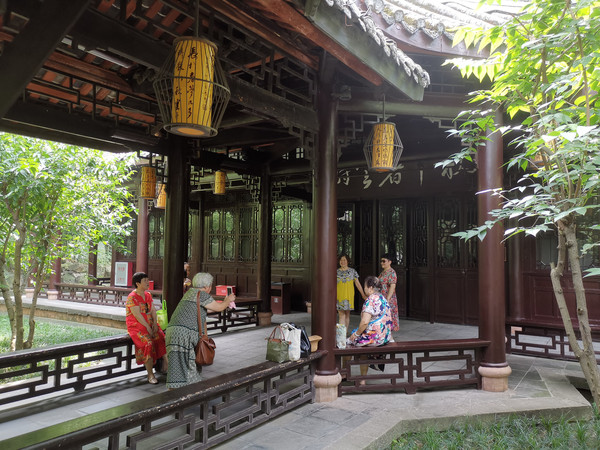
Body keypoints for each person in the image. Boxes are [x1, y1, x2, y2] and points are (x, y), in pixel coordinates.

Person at [166, 272, 236, 389]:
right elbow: (218, 308)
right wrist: (228, 300)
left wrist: (225, 303)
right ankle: (192, 391)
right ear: (207, 286)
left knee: (176, 365)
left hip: (172, 332)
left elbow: (207, 309)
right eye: (211, 285)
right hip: (185, 335)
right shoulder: (202, 294)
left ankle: (173, 391)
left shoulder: (190, 293)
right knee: (190, 366)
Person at [346, 276, 392, 382]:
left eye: (365, 287)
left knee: (347, 343)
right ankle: (363, 380)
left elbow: (365, 322)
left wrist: (356, 334)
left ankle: (344, 373)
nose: (364, 289)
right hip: (385, 337)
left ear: (370, 288)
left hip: (374, 338)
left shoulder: (371, 300)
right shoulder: (383, 298)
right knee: (361, 348)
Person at [125, 271, 167, 384]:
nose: (148, 282)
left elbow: (153, 310)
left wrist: (154, 324)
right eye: (145, 281)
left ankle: (167, 365)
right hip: (136, 325)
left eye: (148, 280)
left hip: (149, 322)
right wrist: (148, 327)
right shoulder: (132, 297)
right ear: (138, 284)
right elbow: (137, 315)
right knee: (147, 343)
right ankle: (150, 374)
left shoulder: (147, 294)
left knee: (161, 337)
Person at [337, 255, 366, 333]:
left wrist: (363, 294)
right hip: (339, 296)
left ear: (348, 261)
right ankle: (342, 334)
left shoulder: (353, 271)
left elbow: (357, 284)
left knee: (347, 314)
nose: (342, 262)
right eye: (341, 260)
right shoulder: (336, 272)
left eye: (344, 260)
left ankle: (345, 332)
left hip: (349, 295)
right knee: (341, 315)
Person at [379, 253, 399, 332]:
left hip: (388, 298)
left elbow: (392, 286)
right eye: (381, 261)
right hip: (382, 297)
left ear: (390, 262)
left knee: (388, 317)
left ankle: (389, 336)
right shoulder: (383, 272)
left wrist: (388, 299)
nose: (382, 263)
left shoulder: (392, 272)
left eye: (384, 261)